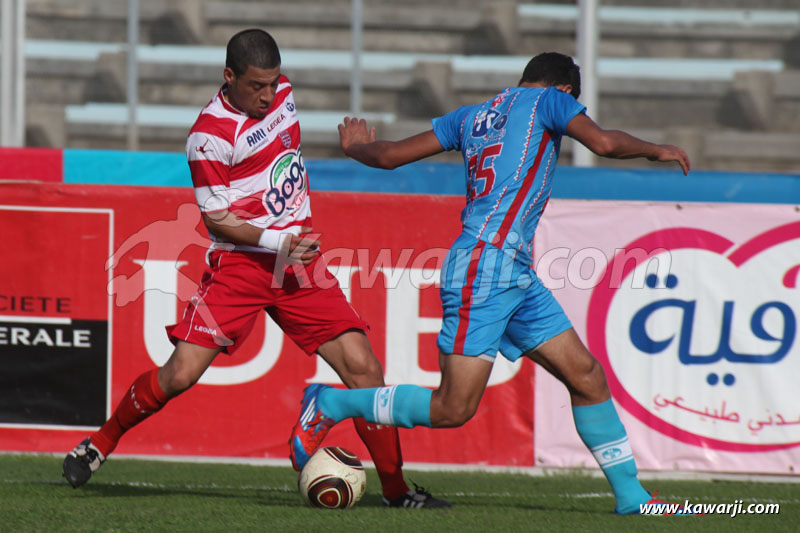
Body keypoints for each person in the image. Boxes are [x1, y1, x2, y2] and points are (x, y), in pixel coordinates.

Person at [62, 28, 450, 509]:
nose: (268, 95)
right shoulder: (208, 136)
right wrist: (277, 238)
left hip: (297, 265)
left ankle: (397, 490)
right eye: (256, 86)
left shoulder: (283, 92)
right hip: (241, 267)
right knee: (180, 374)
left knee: (364, 368)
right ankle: (102, 440)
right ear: (229, 77)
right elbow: (215, 218)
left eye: (272, 83)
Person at [290, 52, 692, 515]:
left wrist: (355, 148)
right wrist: (655, 149)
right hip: (484, 267)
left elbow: (389, 156)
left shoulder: (471, 117)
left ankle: (633, 498)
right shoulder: (549, 102)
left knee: (586, 375)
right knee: (452, 409)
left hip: (511, 271)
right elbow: (601, 143)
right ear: (565, 92)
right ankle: (332, 403)